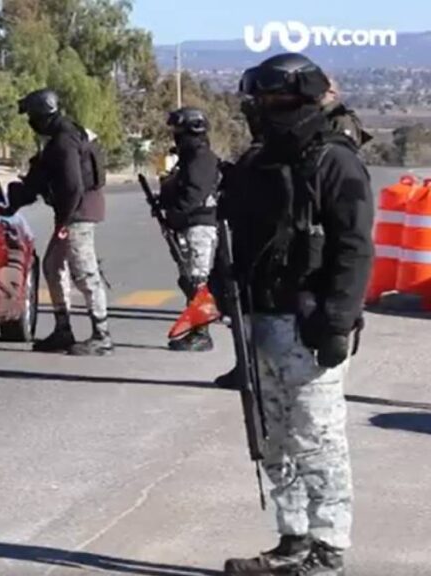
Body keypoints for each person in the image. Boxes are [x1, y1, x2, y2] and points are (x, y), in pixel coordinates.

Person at [216, 52, 373, 576]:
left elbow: (354, 249)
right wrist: (223, 286)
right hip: (264, 320)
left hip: (310, 328)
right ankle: (293, 541)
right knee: (276, 440)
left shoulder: (335, 160)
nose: (259, 109)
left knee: (318, 442)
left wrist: (336, 322)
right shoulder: (258, 162)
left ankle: (328, 552)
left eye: (268, 99)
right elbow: (237, 235)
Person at [11, 88, 113, 356]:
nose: (29, 121)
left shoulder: (64, 140)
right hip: (72, 213)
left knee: (84, 271)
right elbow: (41, 178)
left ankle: (102, 336)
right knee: (53, 266)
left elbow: (72, 186)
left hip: (77, 213)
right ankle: (63, 330)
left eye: (31, 115)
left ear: (42, 114)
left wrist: (66, 221)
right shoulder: (57, 138)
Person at [158, 107, 221, 352]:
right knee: (190, 278)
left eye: (178, 129)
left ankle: (202, 333)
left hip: (200, 225)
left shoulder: (200, 157)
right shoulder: (189, 156)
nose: (175, 134)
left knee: (197, 279)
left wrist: (175, 212)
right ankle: (197, 328)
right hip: (190, 224)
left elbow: (194, 193)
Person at [321, 78, 373, 148]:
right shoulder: (320, 116)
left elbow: (345, 150)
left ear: (333, 94)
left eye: (323, 91)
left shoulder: (342, 119)